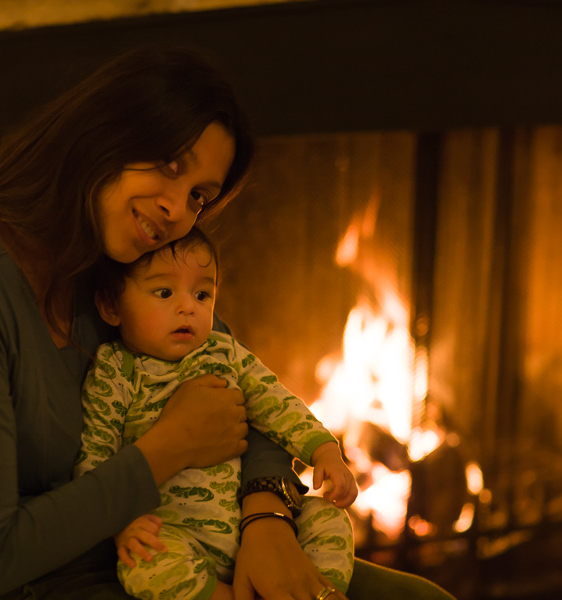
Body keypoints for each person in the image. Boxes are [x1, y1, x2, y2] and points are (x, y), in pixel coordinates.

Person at [0, 46, 456, 600]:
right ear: (105, 135)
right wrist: (167, 448)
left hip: (145, 555)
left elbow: (227, 386)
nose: (177, 210)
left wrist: (265, 515)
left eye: (199, 195)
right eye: (169, 167)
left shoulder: (110, 265)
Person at [75, 227, 357, 600]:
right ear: (112, 306)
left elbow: (276, 402)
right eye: (164, 292)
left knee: (331, 518)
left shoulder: (223, 351)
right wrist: (120, 525)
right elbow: (96, 456)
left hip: (246, 526)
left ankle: (316, 591)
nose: (188, 306)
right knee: (143, 565)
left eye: (202, 294)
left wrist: (324, 451)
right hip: (173, 532)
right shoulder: (115, 371)